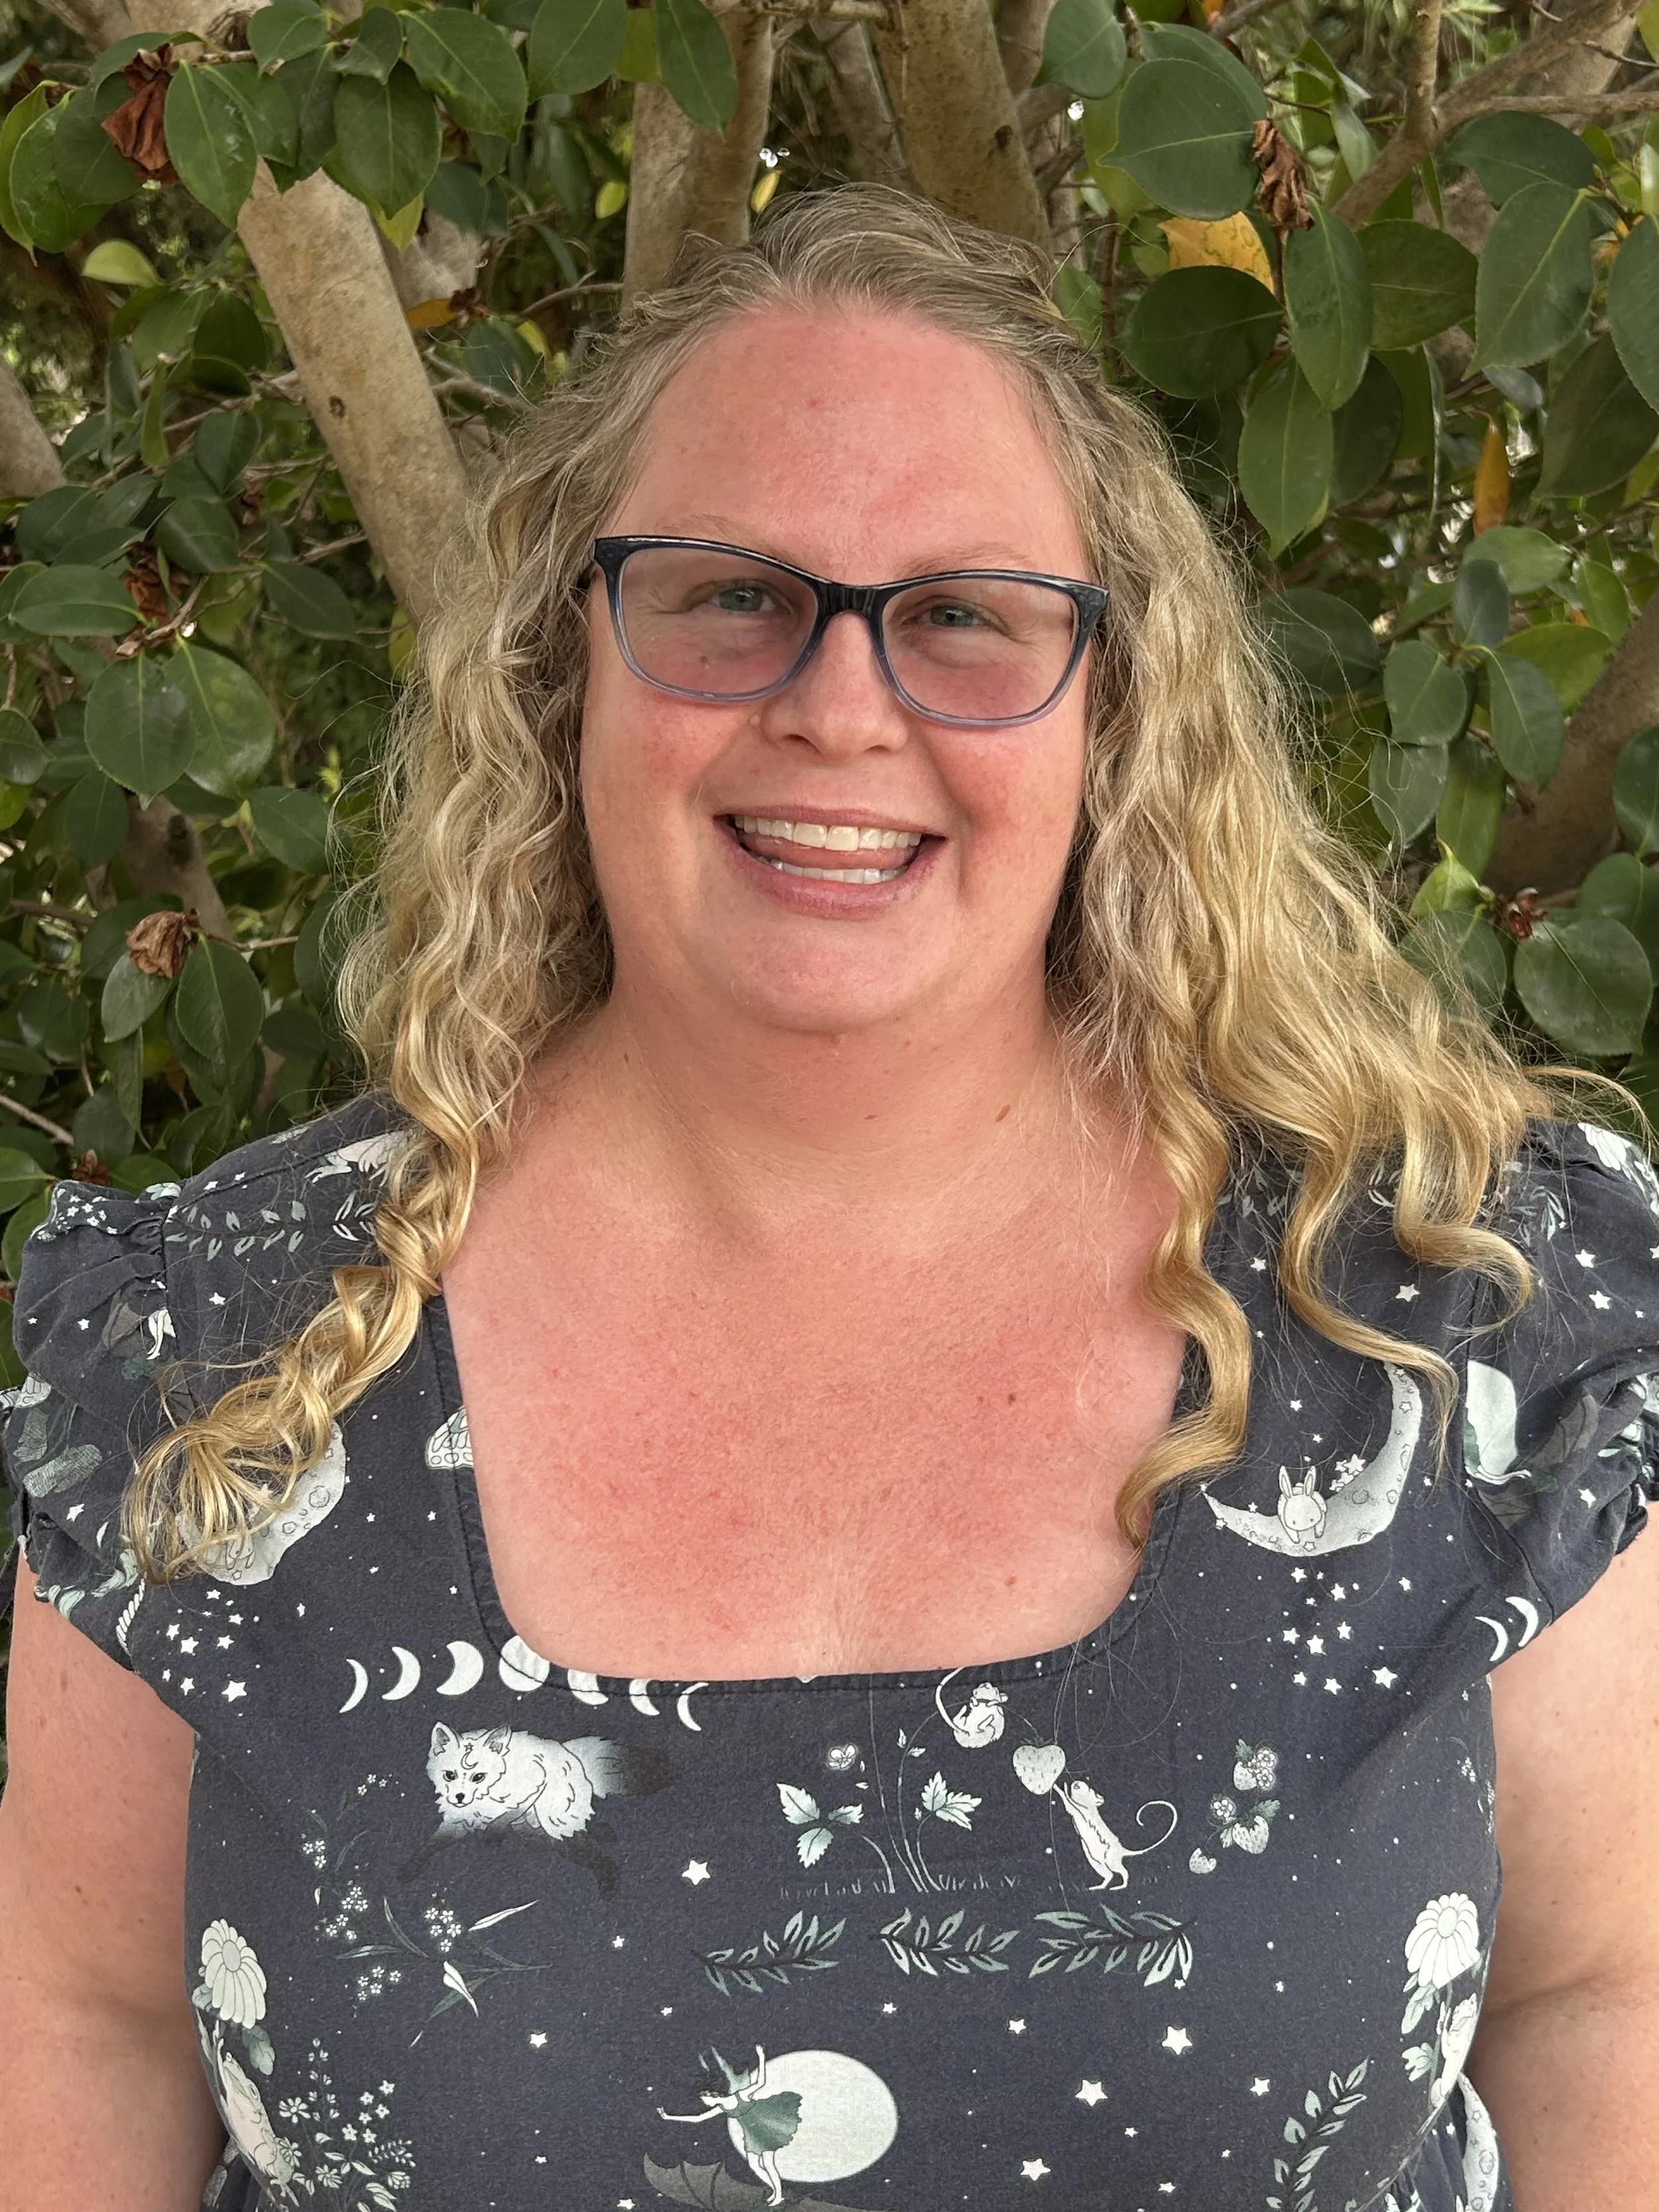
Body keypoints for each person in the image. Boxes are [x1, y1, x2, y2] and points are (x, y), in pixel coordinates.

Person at [1, 184, 1656, 2212]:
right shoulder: (216, 1350)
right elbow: (80, 2012)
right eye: (728, 594)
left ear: (1112, 709)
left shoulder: (1447, 1309)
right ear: (561, 665)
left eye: (963, 612)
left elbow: (1602, 1992)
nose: (840, 704)